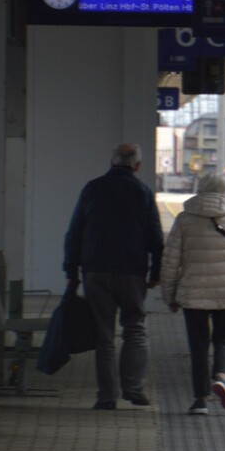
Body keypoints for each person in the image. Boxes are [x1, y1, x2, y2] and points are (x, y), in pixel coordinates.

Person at [63, 142, 164, 410]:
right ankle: (133, 389)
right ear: (137, 165)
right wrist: (156, 272)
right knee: (135, 329)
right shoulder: (142, 192)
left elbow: (75, 232)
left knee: (104, 335)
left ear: (111, 163)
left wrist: (71, 272)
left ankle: (107, 397)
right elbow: (155, 236)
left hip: (95, 270)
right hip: (132, 271)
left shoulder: (92, 189)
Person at [160, 172, 225, 415]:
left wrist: (169, 295)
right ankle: (221, 378)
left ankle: (199, 400)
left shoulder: (184, 218)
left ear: (201, 188)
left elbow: (170, 261)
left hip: (192, 293)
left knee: (198, 346)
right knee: (224, 339)